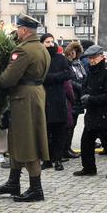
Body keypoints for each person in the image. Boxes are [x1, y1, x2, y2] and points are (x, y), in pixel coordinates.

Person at [0, 13, 51, 203]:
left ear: (24, 30)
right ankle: (13, 181)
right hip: (35, 94)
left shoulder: (23, 50)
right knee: (18, 139)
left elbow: (8, 78)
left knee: (27, 141)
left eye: (18, 29)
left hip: (23, 98)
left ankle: (36, 188)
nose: (16, 31)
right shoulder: (42, 48)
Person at [73, 45, 107, 178]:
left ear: (101, 57)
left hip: (104, 115)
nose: (92, 60)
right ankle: (89, 167)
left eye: (94, 58)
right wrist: (85, 96)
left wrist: (90, 99)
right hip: (93, 114)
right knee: (86, 142)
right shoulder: (91, 72)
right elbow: (85, 87)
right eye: (90, 58)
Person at [40, 33, 72, 171]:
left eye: (52, 41)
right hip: (44, 98)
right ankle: (46, 160)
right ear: (42, 43)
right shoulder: (40, 58)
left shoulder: (60, 58)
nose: (51, 44)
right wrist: (54, 78)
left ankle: (58, 160)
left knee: (59, 131)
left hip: (58, 98)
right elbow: (39, 77)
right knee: (45, 132)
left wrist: (51, 78)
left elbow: (68, 73)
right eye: (47, 42)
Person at [64, 41, 85, 158]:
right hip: (72, 97)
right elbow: (68, 80)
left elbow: (83, 76)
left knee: (74, 124)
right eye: (72, 52)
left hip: (79, 98)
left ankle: (68, 147)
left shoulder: (79, 64)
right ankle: (65, 148)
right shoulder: (66, 64)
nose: (73, 54)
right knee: (69, 125)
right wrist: (80, 86)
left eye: (76, 52)